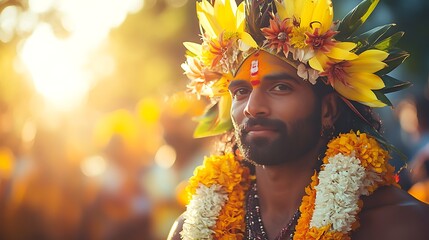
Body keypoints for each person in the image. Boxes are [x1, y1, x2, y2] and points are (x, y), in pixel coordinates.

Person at [168, 0, 429, 239]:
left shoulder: (401, 225)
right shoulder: (193, 229)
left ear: (328, 110)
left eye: (280, 87)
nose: (252, 107)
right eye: (241, 92)